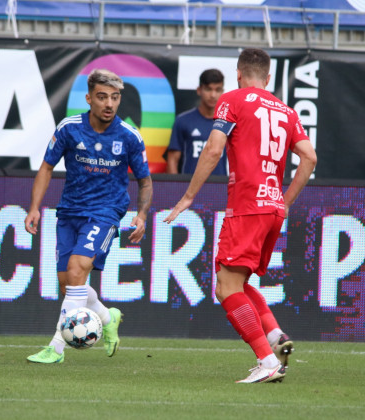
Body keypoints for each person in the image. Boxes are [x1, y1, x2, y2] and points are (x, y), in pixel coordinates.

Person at [164, 48, 317, 383]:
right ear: (269, 78)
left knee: (225, 287)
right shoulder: (287, 112)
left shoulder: (232, 100)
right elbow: (309, 157)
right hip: (273, 207)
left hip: (247, 205)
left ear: (237, 74)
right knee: (239, 282)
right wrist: (285, 200)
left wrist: (189, 196)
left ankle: (266, 360)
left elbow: (214, 148)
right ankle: (275, 337)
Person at [24, 69, 153, 364]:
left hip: (106, 212)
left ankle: (56, 348)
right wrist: (34, 207)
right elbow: (46, 167)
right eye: (102, 97)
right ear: (89, 98)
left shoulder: (129, 136)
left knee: (78, 267)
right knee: (67, 280)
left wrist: (142, 215)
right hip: (70, 210)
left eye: (115, 97)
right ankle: (108, 317)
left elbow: (145, 180)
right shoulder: (70, 128)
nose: (109, 104)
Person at [166, 69, 227, 175]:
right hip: (190, 189)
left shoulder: (229, 123)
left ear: (222, 91)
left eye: (217, 90)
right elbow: (172, 160)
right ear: (199, 90)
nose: (213, 95)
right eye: (208, 89)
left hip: (220, 187)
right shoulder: (183, 121)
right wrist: (175, 190)